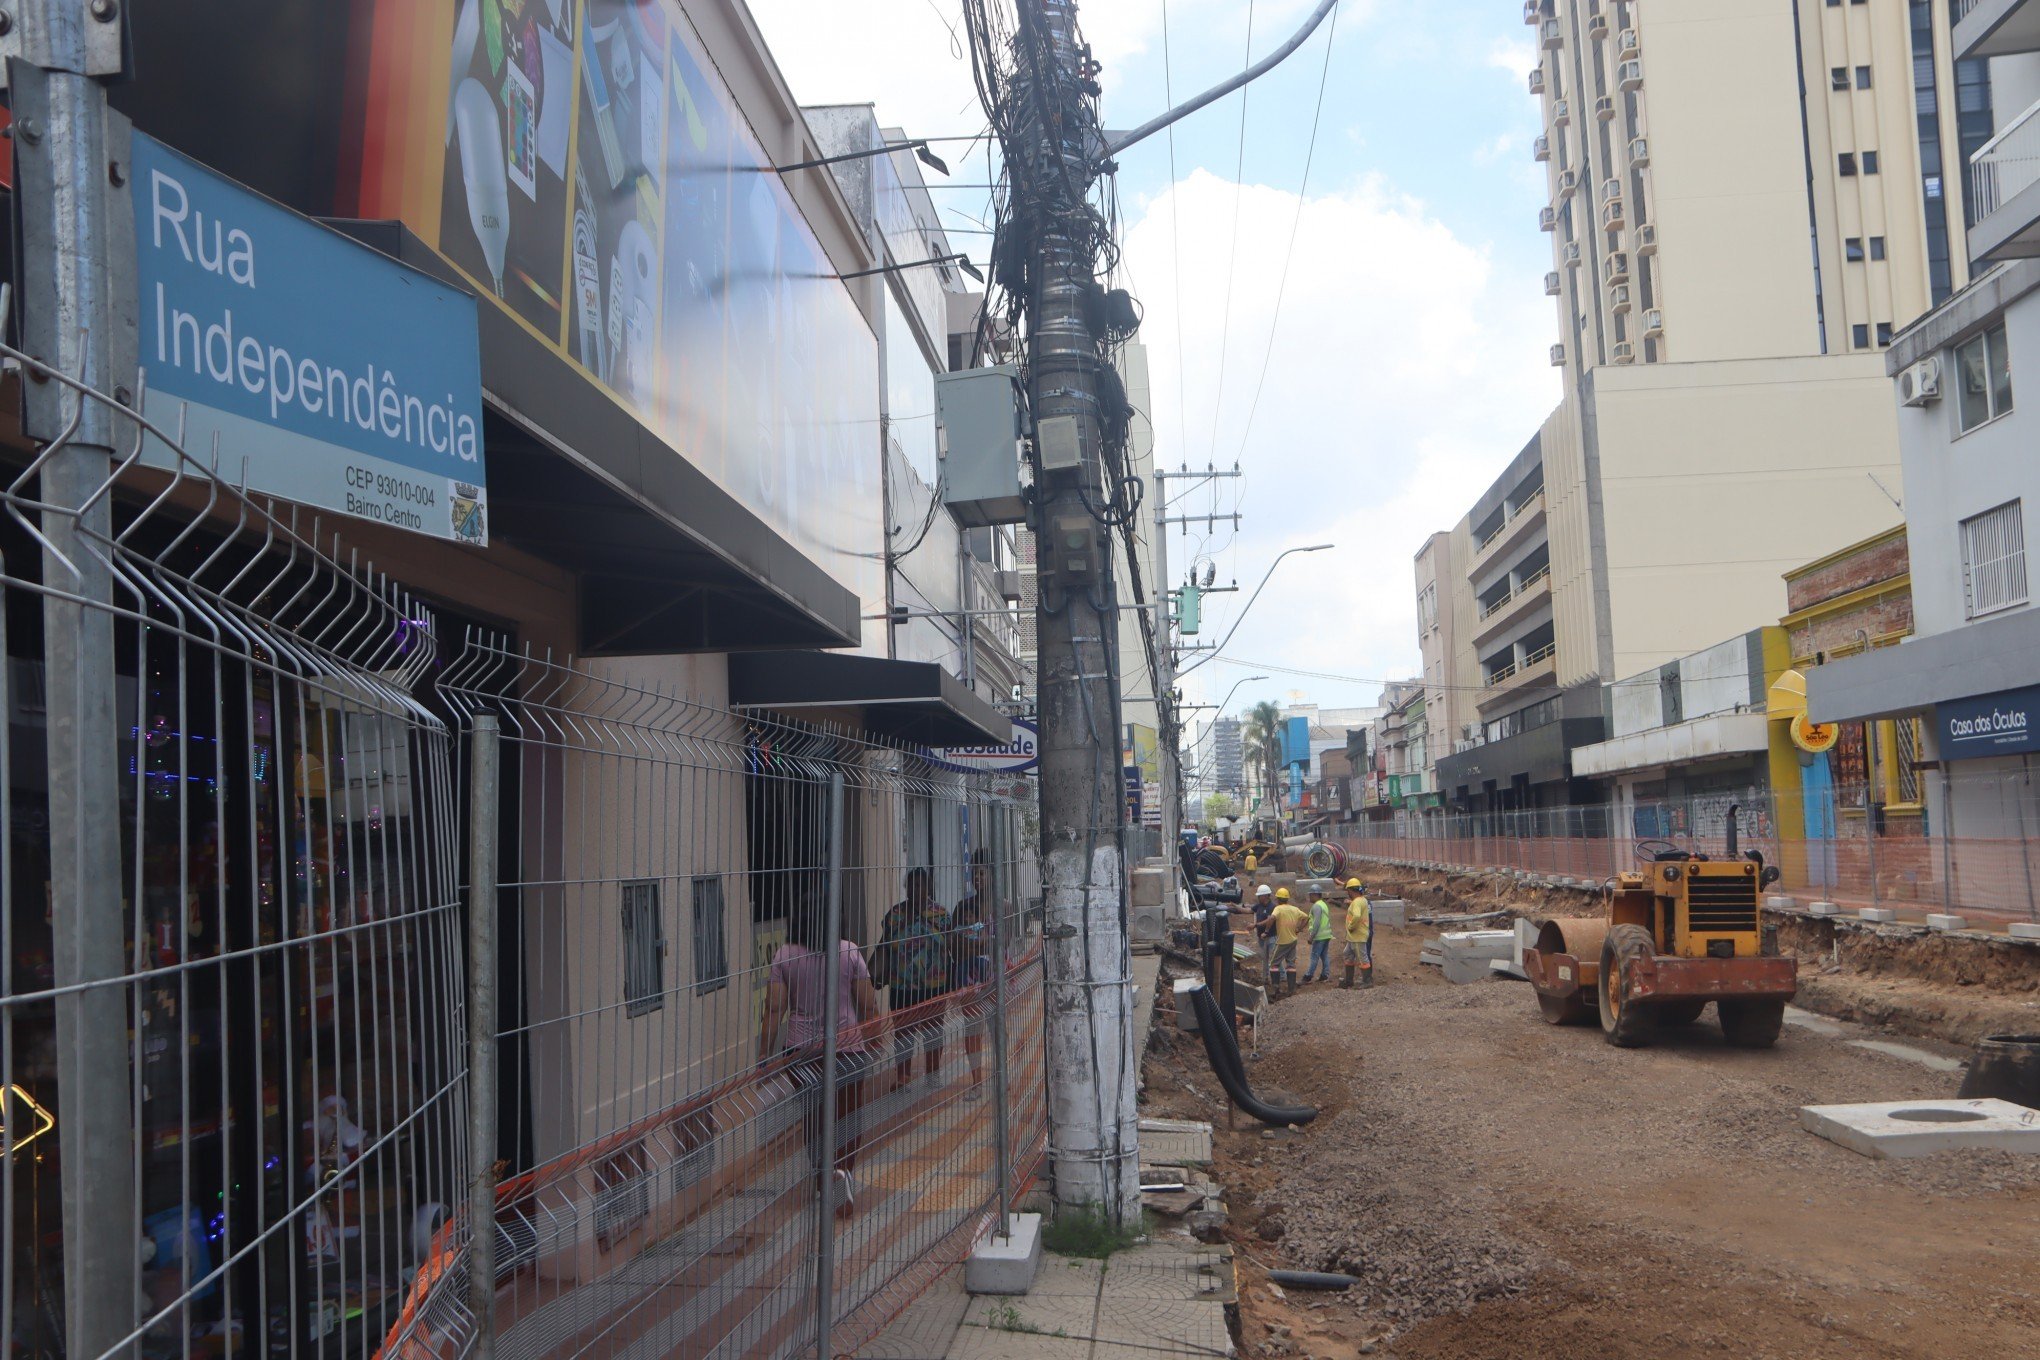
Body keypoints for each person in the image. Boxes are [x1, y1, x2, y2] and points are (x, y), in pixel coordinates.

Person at [758, 894, 882, 1218]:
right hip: (848, 1050)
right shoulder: (849, 952)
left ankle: (821, 1177)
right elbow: (868, 1005)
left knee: (814, 1119)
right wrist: (877, 1040)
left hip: (803, 1053)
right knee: (848, 1118)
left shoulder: (785, 956)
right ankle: (842, 1176)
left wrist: (763, 1058)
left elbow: (773, 1009)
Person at [872, 867, 955, 1088]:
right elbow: (885, 945)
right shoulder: (895, 915)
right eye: (913, 885)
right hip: (902, 985)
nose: (917, 889)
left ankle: (933, 1074)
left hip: (934, 984)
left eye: (922, 884)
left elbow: (950, 945)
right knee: (903, 1033)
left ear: (929, 887)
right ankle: (903, 1076)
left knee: (933, 1031)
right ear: (907, 888)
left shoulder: (942, 915)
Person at [950, 850, 1000, 1096]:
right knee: (972, 1028)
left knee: (996, 1026)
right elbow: (955, 945)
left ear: (992, 874)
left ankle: (1000, 1075)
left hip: (995, 977)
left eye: (982, 873)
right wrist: (981, 944)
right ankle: (976, 1081)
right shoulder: (963, 907)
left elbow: (1002, 943)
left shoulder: (1003, 906)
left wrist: (976, 944)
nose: (977, 878)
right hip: (970, 977)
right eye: (974, 873)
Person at [1267, 887, 1309, 996]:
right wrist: (1299, 929)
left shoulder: (1278, 909)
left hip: (1283, 941)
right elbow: (1306, 917)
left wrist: (1266, 931)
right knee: (1290, 964)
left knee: (1273, 964)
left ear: (1278, 899)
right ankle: (1291, 989)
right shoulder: (1294, 909)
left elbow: (1271, 918)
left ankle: (1275, 989)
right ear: (1287, 899)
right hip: (1293, 940)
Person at [1341, 878, 1373, 989]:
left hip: (1357, 935)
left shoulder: (1356, 902)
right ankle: (1349, 980)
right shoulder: (1362, 900)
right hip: (1353, 937)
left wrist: (1350, 926)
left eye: (1348, 891)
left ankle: (1367, 981)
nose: (1347, 893)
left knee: (1362, 958)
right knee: (1347, 954)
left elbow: (1357, 916)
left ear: (1351, 890)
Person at [1303, 886, 1334, 984]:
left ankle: (1308, 976)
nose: (1309, 897)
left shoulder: (1316, 906)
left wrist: (1311, 937)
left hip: (1319, 936)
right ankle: (1325, 975)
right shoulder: (1323, 904)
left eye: (1310, 895)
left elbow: (1316, 923)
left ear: (1315, 894)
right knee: (1324, 955)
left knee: (1314, 956)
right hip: (1327, 935)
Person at [1251, 883, 1276, 976]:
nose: (1258, 898)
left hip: (1270, 936)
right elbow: (1248, 910)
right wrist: (1234, 907)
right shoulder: (1259, 905)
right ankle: (1265, 976)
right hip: (1261, 937)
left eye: (1260, 896)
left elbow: (1269, 920)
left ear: (1265, 896)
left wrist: (1255, 925)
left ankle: (1281, 976)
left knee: (1274, 958)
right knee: (1264, 958)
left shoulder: (1272, 906)